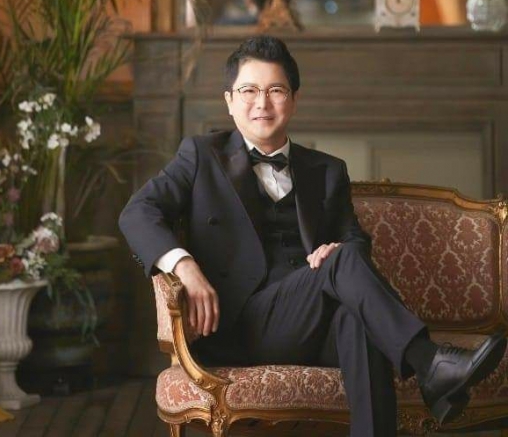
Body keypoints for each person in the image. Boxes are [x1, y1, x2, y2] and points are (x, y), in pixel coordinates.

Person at [119, 35, 506, 437]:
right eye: (249, 90)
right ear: (229, 100)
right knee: (345, 274)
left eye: (276, 90)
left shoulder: (326, 170)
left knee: (359, 317)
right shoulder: (201, 155)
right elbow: (137, 212)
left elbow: (355, 241)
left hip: (306, 324)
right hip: (238, 325)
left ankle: (416, 387)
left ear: (293, 100)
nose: (262, 102)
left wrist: (338, 249)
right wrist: (185, 265)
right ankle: (430, 364)